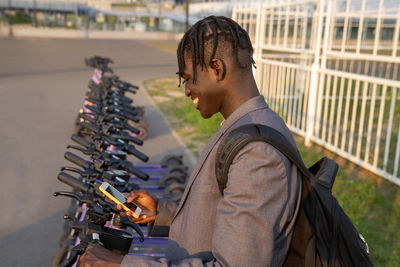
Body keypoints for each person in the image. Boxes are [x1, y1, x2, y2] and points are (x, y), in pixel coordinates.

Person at [80, 15, 302, 267]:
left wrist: (120, 265)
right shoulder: (245, 127)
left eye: (188, 78)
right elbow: (218, 215)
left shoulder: (258, 153)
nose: (186, 89)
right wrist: (161, 213)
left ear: (217, 68)